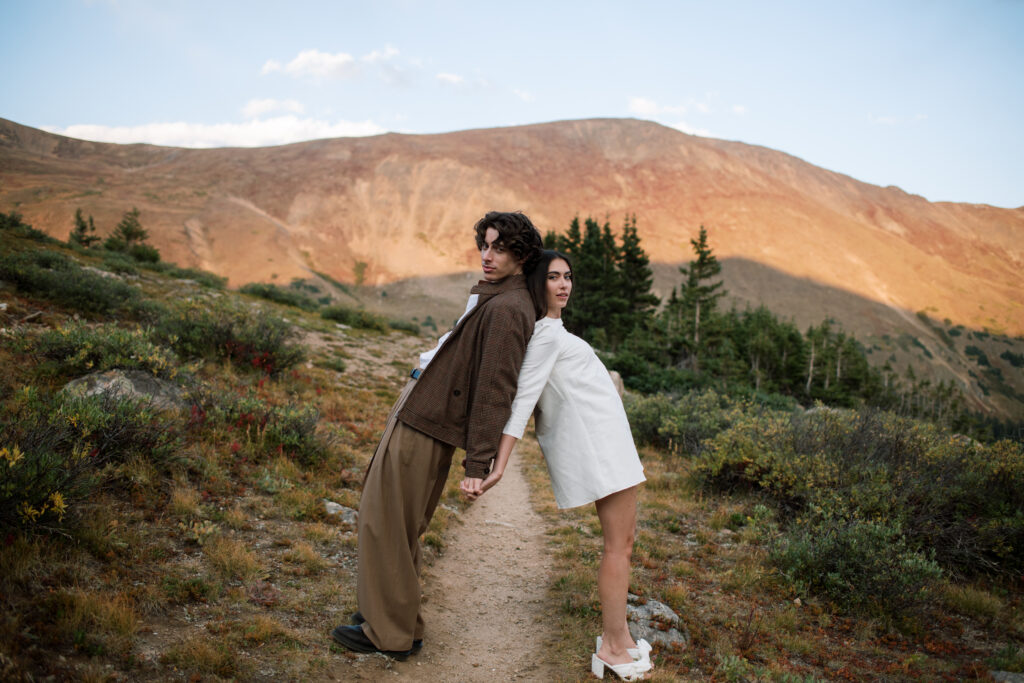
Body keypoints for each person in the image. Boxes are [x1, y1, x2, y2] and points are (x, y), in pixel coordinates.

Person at [331, 212, 544, 659]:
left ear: (522, 256)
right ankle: (396, 619)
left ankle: (388, 634)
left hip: (427, 424)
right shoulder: (495, 295)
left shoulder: (508, 308)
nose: (488, 255)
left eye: (500, 248)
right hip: (420, 411)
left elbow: (494, 390)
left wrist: (478, 465)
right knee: (393, 521)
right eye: (484, 245)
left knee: (385, 521)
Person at [460, 250, 651, 681]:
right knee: (617, 547)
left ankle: (616, 641)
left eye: (568, 276)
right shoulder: (544, 334)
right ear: (536, 283)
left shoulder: (555, 329)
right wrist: (498, 465)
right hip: (600, 450)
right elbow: (521, 401)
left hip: (611, 445)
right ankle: (614, 647)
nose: (564, 285)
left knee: (624, 543)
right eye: (553, 277)